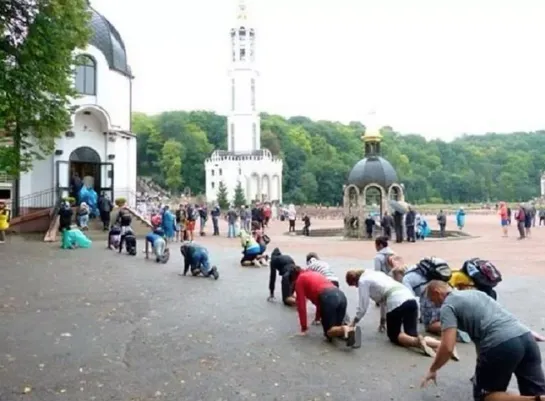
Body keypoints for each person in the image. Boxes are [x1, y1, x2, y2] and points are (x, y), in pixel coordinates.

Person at [421, 280, 545, 400]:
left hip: (501, 344)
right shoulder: (476, 293)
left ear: (437, 292)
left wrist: (433, 369)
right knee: (535, 390)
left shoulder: (448, 306)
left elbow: (448, 347)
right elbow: (501, 315)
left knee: (486, 395)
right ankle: (539, 397)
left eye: (433, 300)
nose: (435, 305)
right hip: (526, 337)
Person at [345, 269, 443, 357]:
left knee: (394, 335)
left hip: (396, 302)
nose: (357, 287)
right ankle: (439, 345)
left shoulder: (363, 281)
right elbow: (383, 301)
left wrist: (354, 322)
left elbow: (363, 306)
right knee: (411, 334)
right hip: (410, 299)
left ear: (354, 281)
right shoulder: (376, 274)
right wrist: (382, 321)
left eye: (355, 285)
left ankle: (417, 342)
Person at [290, 268, 360, 348]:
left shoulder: (300, 280)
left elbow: (301, 305)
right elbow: (319, 302)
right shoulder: (314, 273)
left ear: (294, 278)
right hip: (341, 296)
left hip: (328, 298)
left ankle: (348, 329)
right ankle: (346, 333)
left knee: (328, 332)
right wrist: (317, 318)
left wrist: (304, 328)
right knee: (335, 328)